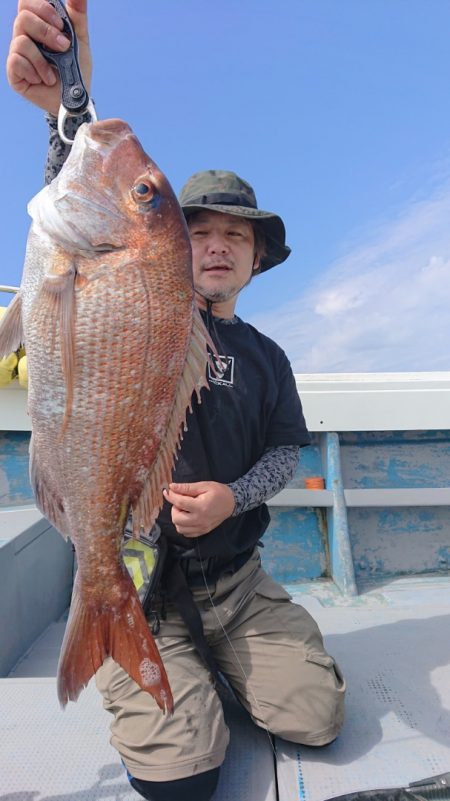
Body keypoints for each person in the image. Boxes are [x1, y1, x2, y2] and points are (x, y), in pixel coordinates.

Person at [7, 4, 346, 800]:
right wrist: (63, 114)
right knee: (181, 783)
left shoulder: (268, 358)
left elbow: (285, 453)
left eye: (239, 235)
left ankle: (225, 662)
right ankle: (137, 640)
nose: (218, 244)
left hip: (235, 580)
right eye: (200, 231)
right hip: (143, 581)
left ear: (257, 260)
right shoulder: (131, 298)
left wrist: (234, 496)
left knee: (317, 716)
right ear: (172, 249)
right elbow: (80, 215)